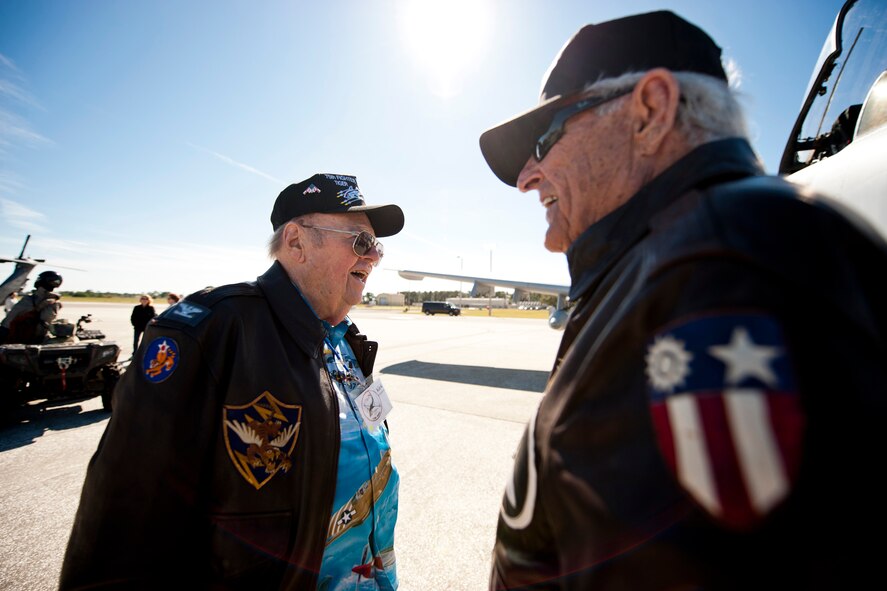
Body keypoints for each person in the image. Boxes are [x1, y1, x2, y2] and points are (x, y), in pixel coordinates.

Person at [478, 11, 887, 590]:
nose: (526, 177)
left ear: (649, 110)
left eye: (545, 140)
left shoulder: (711, 272)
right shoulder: (676, 259)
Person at [60, 173, 405, 590]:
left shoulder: (346, 341)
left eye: (377, 247)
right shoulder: (210, 332)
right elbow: (122, 530)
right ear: (296, 242)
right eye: (360, 242)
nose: (373, 258)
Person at [0, 271, 63, 344]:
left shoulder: (29, 300)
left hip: (20, 337)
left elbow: (8, 320)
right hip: (39, 339)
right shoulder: (55, 303)